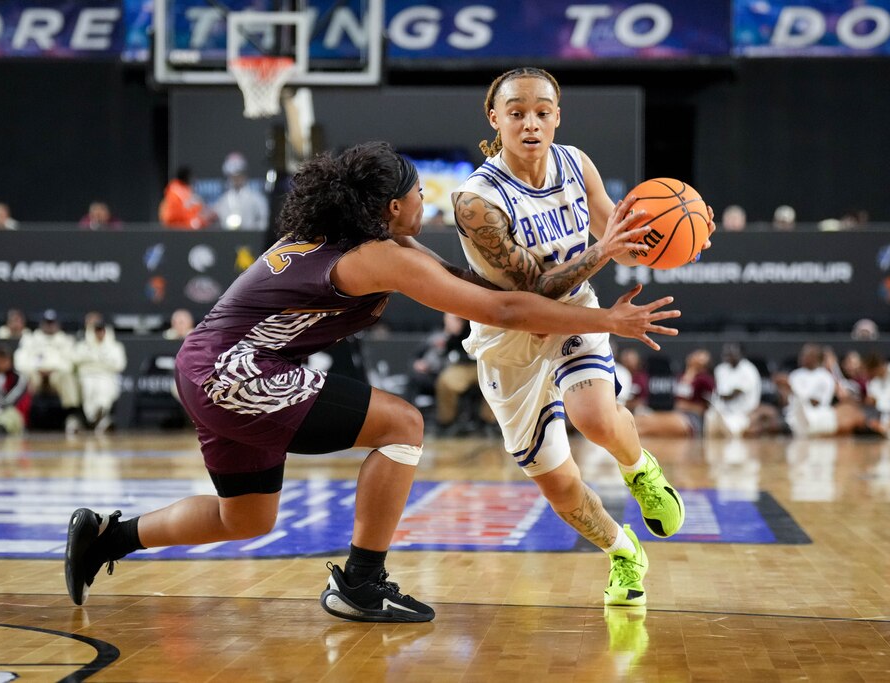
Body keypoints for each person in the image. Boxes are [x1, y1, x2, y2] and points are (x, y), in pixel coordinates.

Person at [64, 141, 682, 624]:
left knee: (247, 519)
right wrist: (607, 319)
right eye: (418, 193)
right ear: (392, 207)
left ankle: (105, 538)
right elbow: (504, 313)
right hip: (235, 372)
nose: (427, 201)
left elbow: (500, 293)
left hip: (206, 367)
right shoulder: (379, 255)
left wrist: (582, 261)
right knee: (402, 423)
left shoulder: (364, 239)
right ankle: (361, 584)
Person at [450, 67, 714, 608]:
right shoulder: (476, 202)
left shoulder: (575, 162)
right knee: (559, 485)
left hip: (576, 312)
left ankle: (640, 470)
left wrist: (683, 237)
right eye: (517, 112)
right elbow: (531, 297)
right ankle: (622, 550)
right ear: (494, 118)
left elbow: (616, 232)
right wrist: (604, 253)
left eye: (543, 112)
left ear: (557, 116)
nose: (531, 123)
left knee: (593, 417)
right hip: (510, 335)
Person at [14, 309, 81, 434]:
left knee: (67, 376)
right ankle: (22, 419)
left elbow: (71, 363)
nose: (50, 325)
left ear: (57, 324)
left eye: (52, 322)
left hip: (57, 375)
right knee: (25, 377)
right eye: (47, 322)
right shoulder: (30, 339)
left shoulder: (66, 340)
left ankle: (71, 417)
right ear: (41, 323)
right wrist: (37, 370)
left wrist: (51, 369)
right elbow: (20, 361)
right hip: (35, 374)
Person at [433, 313, 495, 435]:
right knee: (445, 381)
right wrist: (453, 330)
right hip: (464, 365)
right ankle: (447, 422)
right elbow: (447, 348)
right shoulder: (461, 316)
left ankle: (489, 421)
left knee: (497, 383)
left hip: (488, 363)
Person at [634, 349, 714, 437]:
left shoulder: (705, 380)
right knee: (643, 420)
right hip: (674, 413)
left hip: (692, 420)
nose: (696, 357)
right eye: (696, 354)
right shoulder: (679, 376)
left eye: (701, 356)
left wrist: (687, 406)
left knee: (652, 427)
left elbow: (708, 408)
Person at [73, 315, 127, 434]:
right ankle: (93, 419)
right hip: (87, 376)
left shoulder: (115, 347)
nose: (99, 333)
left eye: (101, 329)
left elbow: (119, 365)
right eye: (96, 330)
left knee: (105, 388)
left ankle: (99, 416)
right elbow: (76, 360)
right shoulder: (83, 345)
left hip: (107, 376)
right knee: (88, 387)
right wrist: (101, 362)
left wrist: (93, 361)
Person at [705, 343, 762, 438]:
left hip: (743, 413)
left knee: (732, 434)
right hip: (721, 411)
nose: (729, 355)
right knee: (710, 425)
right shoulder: (721, 369)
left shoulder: (748, 370)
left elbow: (733, 394)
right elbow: (715, 388)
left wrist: (712, 396)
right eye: (727, 353)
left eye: (732, 352)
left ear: (740, 353)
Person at [212, 152, 269, 231]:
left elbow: (264, 220)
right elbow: (216, 221)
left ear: (244, 174)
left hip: (250, 238)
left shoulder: (256, 198)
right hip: (227, 238)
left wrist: (254, 229)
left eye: (239, 175)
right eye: (233, 176)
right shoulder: (223, 200)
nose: (236, 179)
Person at [613, 347, 649, 413]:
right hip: (618, 405)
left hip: (635, 408)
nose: (628, 362)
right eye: (626, 359)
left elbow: (644, 398)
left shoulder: (640, 377)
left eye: (631, 359)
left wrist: (632, 404)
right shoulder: (618, 373)